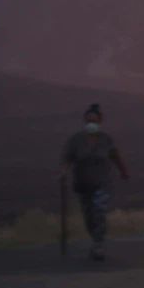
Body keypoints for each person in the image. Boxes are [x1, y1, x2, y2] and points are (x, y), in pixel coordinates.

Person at [60, 103, 130, 261]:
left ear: (100, 122)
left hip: (102, 182)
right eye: (89, 120)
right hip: (83, 184)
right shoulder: (76, 140)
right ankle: (95, 239)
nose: (92, 123)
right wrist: (63, 173)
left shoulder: (106, 140)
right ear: (85, 122)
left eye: (95, 121)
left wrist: (123, 171)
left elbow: (115, 156)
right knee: (88, 214)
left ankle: (99, 243)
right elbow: (67, 158)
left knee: (99, 210)